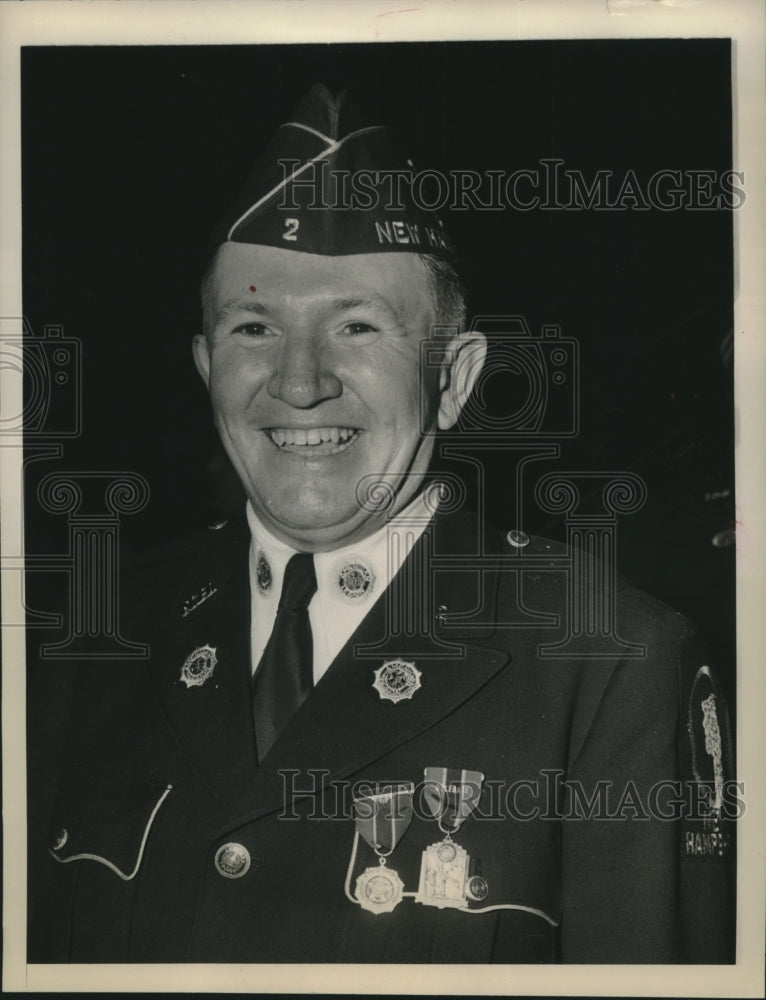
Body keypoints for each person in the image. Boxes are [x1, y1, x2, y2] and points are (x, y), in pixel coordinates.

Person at [27, 83, 735, 964]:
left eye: (356, 327)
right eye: (253, 328)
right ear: (206, 364)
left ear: (455, 377)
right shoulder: (89, 637)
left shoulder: (610, 661)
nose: (298, 381)